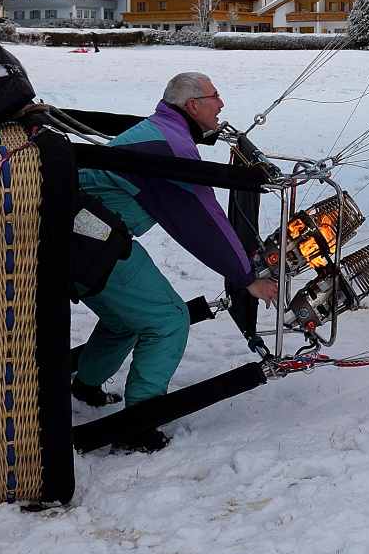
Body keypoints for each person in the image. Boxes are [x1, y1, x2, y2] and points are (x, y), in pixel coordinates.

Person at [71, 72, 278, 453]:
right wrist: (246, 277)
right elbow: (202, 217)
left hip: (76, 234)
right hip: (91, 240)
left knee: (126, 317)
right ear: (192, 106)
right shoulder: (172, 147)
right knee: (167, 319)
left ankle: (85, 385)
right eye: (216, 97)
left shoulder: (163, 130)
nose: (222, 104)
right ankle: (140, 422)